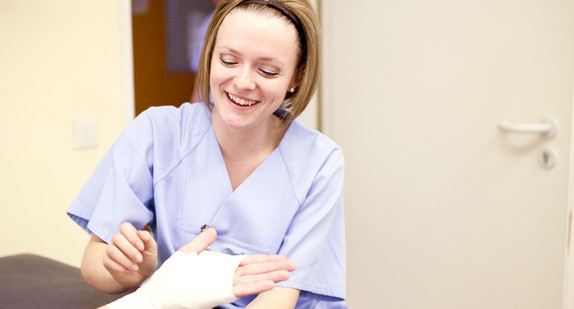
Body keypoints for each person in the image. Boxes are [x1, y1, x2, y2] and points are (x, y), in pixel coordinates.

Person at [67, 0, 347, 307]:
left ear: (296, 76)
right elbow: (94, 262)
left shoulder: (319, 162)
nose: (242, 82)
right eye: (228, 60)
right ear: (209, 55)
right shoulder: (157, 133)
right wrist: (132, 271)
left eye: (267, 70)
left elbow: (280, 297)